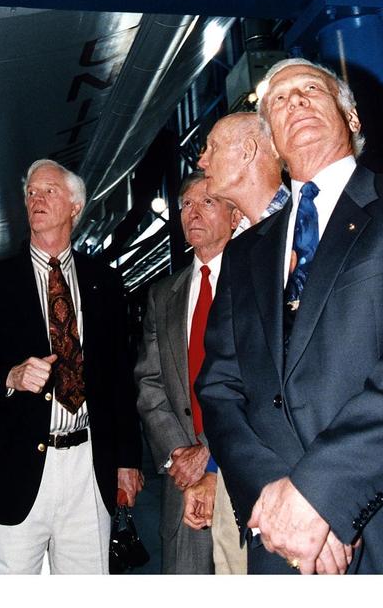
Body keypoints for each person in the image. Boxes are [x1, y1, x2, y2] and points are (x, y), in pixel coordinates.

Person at [196, 58, 383, 575]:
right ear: (271, 142)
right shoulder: (245, 254)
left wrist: (319, 493)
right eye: (280, 101)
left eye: (312, 90)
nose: (297, 102)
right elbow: (220, 388)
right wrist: (272, 496)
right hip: (281, 536)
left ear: (352, 120)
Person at [0, 160, 144, 574]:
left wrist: (126, 460)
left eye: (49, 191)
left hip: (87, 466)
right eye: (31, 193)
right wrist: (9, 377)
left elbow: (120, 379)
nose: (36, 199)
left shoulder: (105, 282)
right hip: (13, 468)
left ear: (75, 206)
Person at [191, 110, 289, 572]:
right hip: (255, 480)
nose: (202, 158)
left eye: (211, 147)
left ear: (247, 151)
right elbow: (225, 381)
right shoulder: (241, 252)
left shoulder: (307, 227)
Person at [134, 174, 240, 573]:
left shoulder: (254, 282)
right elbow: (150, 383)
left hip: (240, 474)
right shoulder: (164, 294)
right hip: (183, 481)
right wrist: (181, 457)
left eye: (208, 203)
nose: (192, 213)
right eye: (185, 204)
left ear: (234, 216)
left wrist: (210, 457)